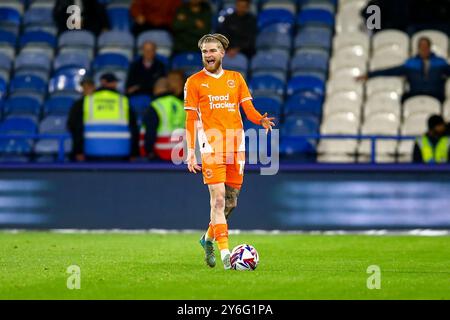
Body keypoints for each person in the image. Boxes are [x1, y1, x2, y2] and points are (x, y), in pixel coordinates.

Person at [184, 34, 275, 269]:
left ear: (223, 53)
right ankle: (226, 255)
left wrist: (260, 120)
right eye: (205, 51)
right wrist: (190, 151)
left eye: (213, 50)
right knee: (218, 200)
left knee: (230, 204)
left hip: (237, 146)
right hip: (211, 146)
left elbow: (248, 109)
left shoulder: (236, 78)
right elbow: (191, 118)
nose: (209, 55)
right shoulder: (193, 82)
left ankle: (207, 239)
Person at [67, 73, 139, 162]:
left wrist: (78, 151)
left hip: (92, 150)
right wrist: (133, 152)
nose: (115, 84)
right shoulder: (123, 100)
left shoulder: (87, 100)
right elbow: (133, 128)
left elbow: (76, 127)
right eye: (113, 82)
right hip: (120, 150)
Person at [357, 37, 450, 103]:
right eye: (421, 47)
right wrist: (370, 75)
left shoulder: (440, 63)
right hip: (415, 93)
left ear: (429, 48)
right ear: (418, 48)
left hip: (435, 94)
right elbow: (390, 71)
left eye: (425, 47)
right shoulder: (411, 63)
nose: (423, 49)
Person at [142, 77, 185, 161]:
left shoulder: (156, 105)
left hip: (162, 152)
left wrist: (148, 151)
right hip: (181, 153)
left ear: (157, 89)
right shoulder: (181, 104)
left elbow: (150, 131)